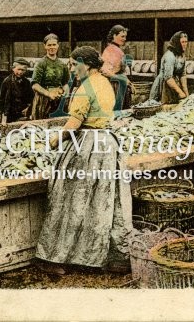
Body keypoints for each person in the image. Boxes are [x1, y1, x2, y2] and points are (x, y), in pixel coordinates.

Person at [36, 46, 132, 275]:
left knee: (71, 200)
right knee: (103, 204)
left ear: (86, 65)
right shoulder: (105, 84)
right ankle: (107, 256)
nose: (71, 69)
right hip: (106, 145)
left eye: (73, 64)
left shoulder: (85, 88)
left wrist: (52, 141)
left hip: (87, 146)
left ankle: (54, 258)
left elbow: (73, 124)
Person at [31, 33, 69, 120]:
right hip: (43, 101)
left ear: (58, 45)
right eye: (49, 45)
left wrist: (64, 94)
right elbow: (35, 85)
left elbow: (65, 83)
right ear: (45, 46)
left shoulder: (62, 64)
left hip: (58, 100)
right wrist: (49, 94)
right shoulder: (41, 63)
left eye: (54, 44)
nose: (52, 47)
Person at [149, 31, 189, 104]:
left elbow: (183, 75)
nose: (185, 44)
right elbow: (168, 78)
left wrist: (186, 94)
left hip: (175, 84)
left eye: (186, 42)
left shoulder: (182, 55)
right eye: (182, 42)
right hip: (165, 85)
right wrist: (180, 92)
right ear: (177, 43)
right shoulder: (170, 56)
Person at [101, 25, 132, 110]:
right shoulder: (110, 50)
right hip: (114, 86)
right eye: (122, 36)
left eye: (125, 36)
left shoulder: (116, 49)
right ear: (114, 35)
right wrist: (123, 79)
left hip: (120, 85)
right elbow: (105, 71)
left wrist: (127, 80)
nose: (124, 39)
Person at [0, 58, 33, 124]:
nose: (20, 72)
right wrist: (2, 115)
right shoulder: (7, 81)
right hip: (9, 113)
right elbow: (1, 99)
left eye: (23, 70)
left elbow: (31, 98)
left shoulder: (27, 82)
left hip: (22, 113)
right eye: (18, 69)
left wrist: (28, 108)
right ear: (13, 68)